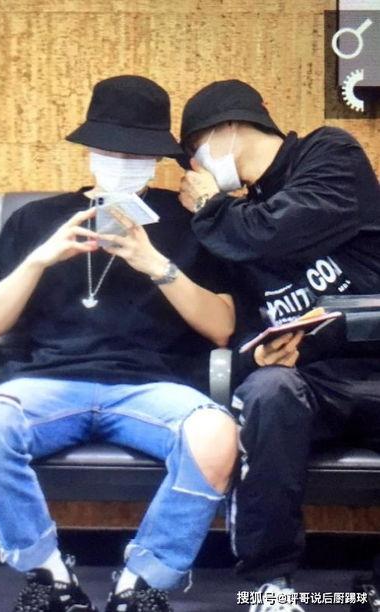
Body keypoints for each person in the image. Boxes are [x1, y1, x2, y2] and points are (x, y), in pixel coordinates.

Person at [0, 75, 238, 612]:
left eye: (136, 153)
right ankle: (49, 574)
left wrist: (156, 264)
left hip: (153, 388)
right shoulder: (37, 218)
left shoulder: (191, 223)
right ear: (89, 150)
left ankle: (141, 582)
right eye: (111, 149)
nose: (123, 161)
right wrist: (40, 259)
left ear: (155, 158)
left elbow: (222, 327)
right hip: (47, 383)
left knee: (216, 435)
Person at [178, 78, 380, 612]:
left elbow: (274, 231)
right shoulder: (230, 222)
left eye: (194, 151)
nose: (193, 168)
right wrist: (258, 353)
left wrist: (211, 208)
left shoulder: (328, 153)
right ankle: (269, 585)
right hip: (307, 379)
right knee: (266, 391)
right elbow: (246, 322)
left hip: (372, 363)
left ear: (225, 128)